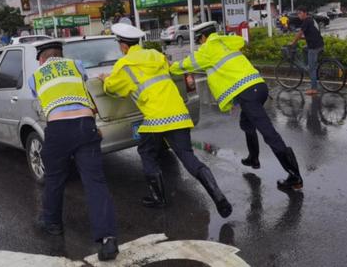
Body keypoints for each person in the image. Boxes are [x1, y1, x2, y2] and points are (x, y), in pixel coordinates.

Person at [99, 23, 233, 218]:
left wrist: (105, 79)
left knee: (146, 152)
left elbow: (112, 89)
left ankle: (158, 198)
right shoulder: (156, 55)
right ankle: (219, 196)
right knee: (188, 157)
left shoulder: (124, 65)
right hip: (178, 113)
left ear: (123, 46)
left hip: (155, 118)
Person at [170, 30, 303, 191]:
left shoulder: (208, 50)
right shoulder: (226, 43)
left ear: (204, 37)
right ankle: (253, 158)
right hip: (259, 87)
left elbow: (186, 64)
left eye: (200, 40)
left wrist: (171, 67)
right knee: (246, 123)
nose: (200, 43)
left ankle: (294, 176)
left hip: (248, 94)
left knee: (269, 134)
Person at [29, 41, 118, 261]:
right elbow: (83, 86)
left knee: (55, 178)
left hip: (58, 129)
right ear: (61, 54)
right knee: (95, 182)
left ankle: (53, 224)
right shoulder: (76, 65)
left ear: (41, 59)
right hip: (85, 126)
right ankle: (108, 240)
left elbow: (38, 97)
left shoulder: (36, 75)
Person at [291, 6, 324, 95]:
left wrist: (293, 42)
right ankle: (309, 65)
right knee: (304, 49)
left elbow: (300, 33)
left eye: (300, 13)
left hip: (314, 47)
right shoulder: (311, 20)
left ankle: (314, 89)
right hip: (319, 44)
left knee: (312, 69)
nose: (299, 15)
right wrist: (301, 39)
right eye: (298, 13)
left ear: (305, 13)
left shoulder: (306, 21)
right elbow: (311, 33)